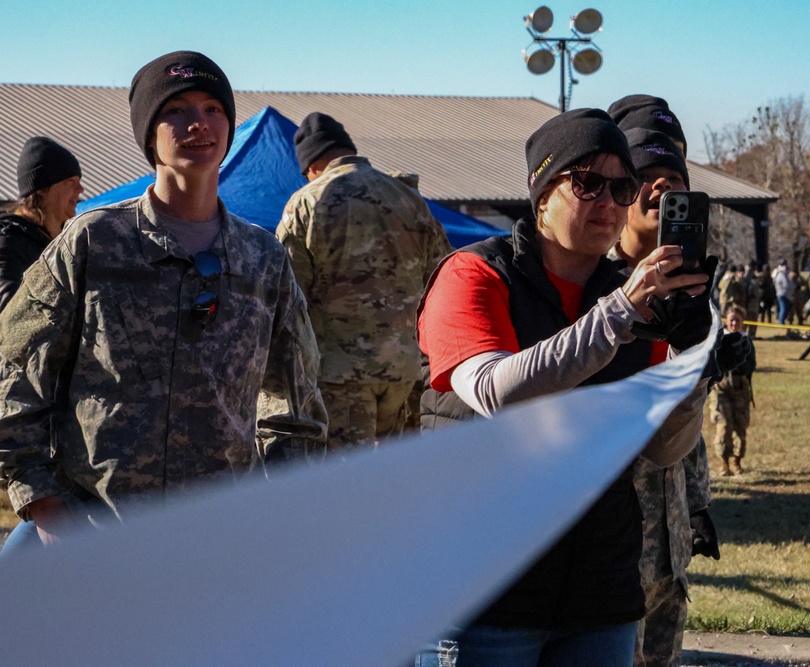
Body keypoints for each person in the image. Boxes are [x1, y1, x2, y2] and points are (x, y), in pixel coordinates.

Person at [0, 51, 327, 554]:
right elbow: (12, 369)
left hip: (218, 535)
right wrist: (41, 499)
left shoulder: (262, 258)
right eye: (176, 110)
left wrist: (277, 505)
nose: (198, 123)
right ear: (149, 134)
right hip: (95, 531)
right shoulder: (93, 242)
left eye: (213, 108)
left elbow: (296, 406)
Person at [416, 109, 709, 666]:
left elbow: (664, 446)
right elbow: (495, 391)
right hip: (482, 593)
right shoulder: (474, 274)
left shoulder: (631, 295)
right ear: (542, 195)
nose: (608, 202)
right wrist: (619, 313)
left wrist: (691, 367)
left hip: (598, 596)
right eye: (587, 183)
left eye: (621, 188)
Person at [604, 120, 719, 667]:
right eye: (646, 176)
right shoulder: (594, 289)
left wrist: (697, 504)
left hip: (668, 544)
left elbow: (686, 417)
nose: (662, 189)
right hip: (610, 550)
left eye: (674, 178)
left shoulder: (693, 288)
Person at [276, 112, 450, 451]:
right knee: (397, 476)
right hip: (405, 371)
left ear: (311, 166)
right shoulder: (408, 198)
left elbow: (288, 298)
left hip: (339, 376)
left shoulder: (308, 202)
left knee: (346, 484)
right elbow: (443, 277)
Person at [0, 136, 84, 311]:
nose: (80, 190)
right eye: (70, 182)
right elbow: (7, 307)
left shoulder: (68, 240)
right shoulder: (10, 242)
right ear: (41, 191)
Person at [709, 304, 756, 476]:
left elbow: (751, 365)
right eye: (731, 320)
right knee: (724, 425)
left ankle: (737, 461)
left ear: (743, 322)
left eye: (737, 320)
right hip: (721, 389)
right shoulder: (719, 340)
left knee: (740, 426)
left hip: (740, 388)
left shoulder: (746, 341)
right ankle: (724, 462)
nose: (734, 323)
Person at [773, 260, 792, 326]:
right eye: (783, 265)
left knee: (786, 308)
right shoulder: (781, 274)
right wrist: (791, 286)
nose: (785, 266)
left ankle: (782, 320)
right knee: (783, 308)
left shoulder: (784, 273)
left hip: (785, 294)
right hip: (781, 294)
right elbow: (786, 284)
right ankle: (781, 322)